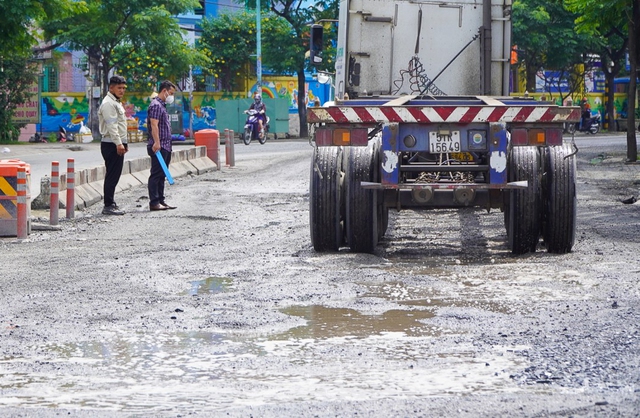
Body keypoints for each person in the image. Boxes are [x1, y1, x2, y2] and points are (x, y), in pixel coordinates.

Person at [98, 75, 129, 215]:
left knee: (114, 175)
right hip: (111, 144)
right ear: (111, 88)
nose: (122, 90)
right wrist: (118, 143)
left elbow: (120, 126)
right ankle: (108, 205)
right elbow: (112, 126)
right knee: (112, 175)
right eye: (119, 88)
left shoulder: (115, 102)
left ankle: (111, 203)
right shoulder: (108, 104)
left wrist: (124, 142)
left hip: (116, 143)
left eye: (123, 88)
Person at [147, 80, 177, 211]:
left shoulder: (162, 105)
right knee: (156, 174)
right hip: (159, 146)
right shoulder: (155, 105)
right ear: (164, 91)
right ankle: (154, 202)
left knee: (162, 174)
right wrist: (157, 142)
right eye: (171, 93)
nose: (171, 96)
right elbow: (154, 125)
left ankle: (161, 200)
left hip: (166, 145)